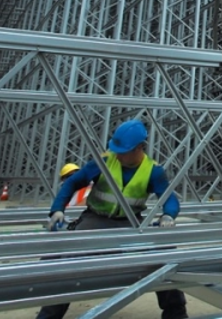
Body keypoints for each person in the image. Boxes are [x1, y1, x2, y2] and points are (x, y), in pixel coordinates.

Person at [37, 119, 187, 319]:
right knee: (69, 262)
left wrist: (168, 215)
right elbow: (72, 183)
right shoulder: (104, 162)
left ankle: (176, 314)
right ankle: (49, 316)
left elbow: (169, 198)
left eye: (123, 151)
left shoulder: (153, 171)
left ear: (139, 148)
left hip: (131, 223)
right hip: (95, 220)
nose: (118, 154)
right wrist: (57, 210)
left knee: (164, 258)